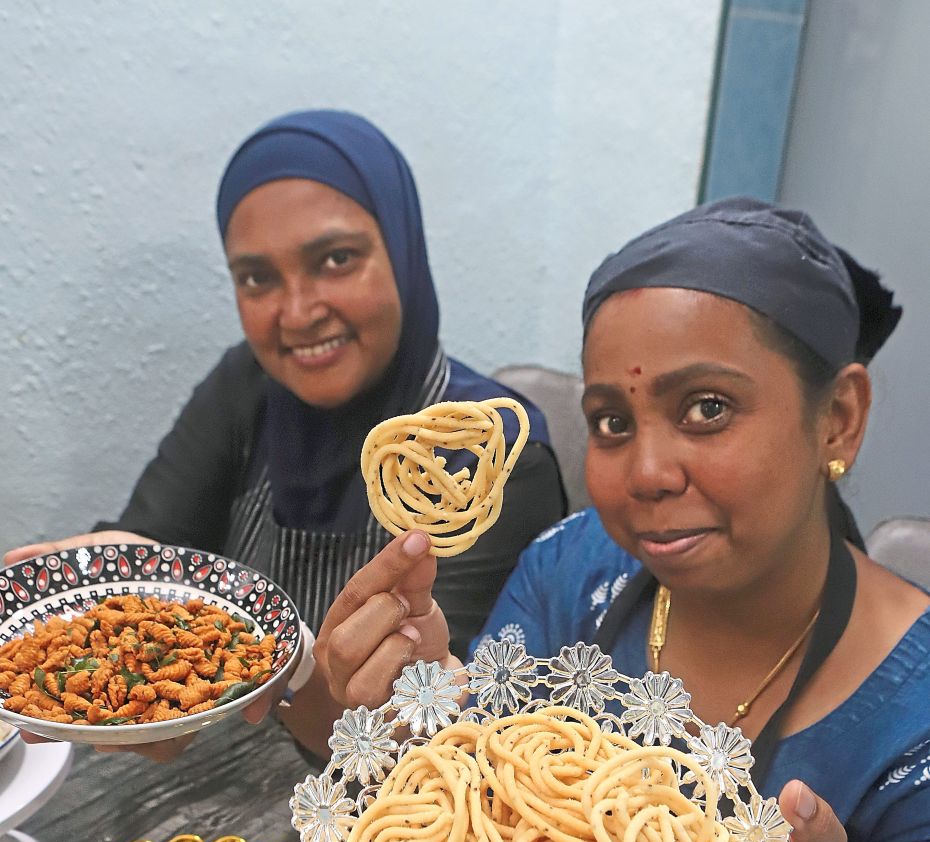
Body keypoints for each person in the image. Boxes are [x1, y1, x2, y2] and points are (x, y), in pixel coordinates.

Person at [274, 199, 930, 842]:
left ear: (838, 417)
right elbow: (480, 820)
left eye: (706, 407)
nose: (646, 470)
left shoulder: (913, 739)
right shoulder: (578, 566)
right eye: (614, 423)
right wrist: (421, 698)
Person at [5, 110, 564, 755]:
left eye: (336, 259)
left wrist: (296, 675)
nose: (296, 314)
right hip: (204, 775)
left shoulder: (490, 454)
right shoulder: (250, 384)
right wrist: (114, 591)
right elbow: (155, 558)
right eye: (256, 278)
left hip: (375, 805)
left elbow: (438, 740)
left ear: (403, 250)